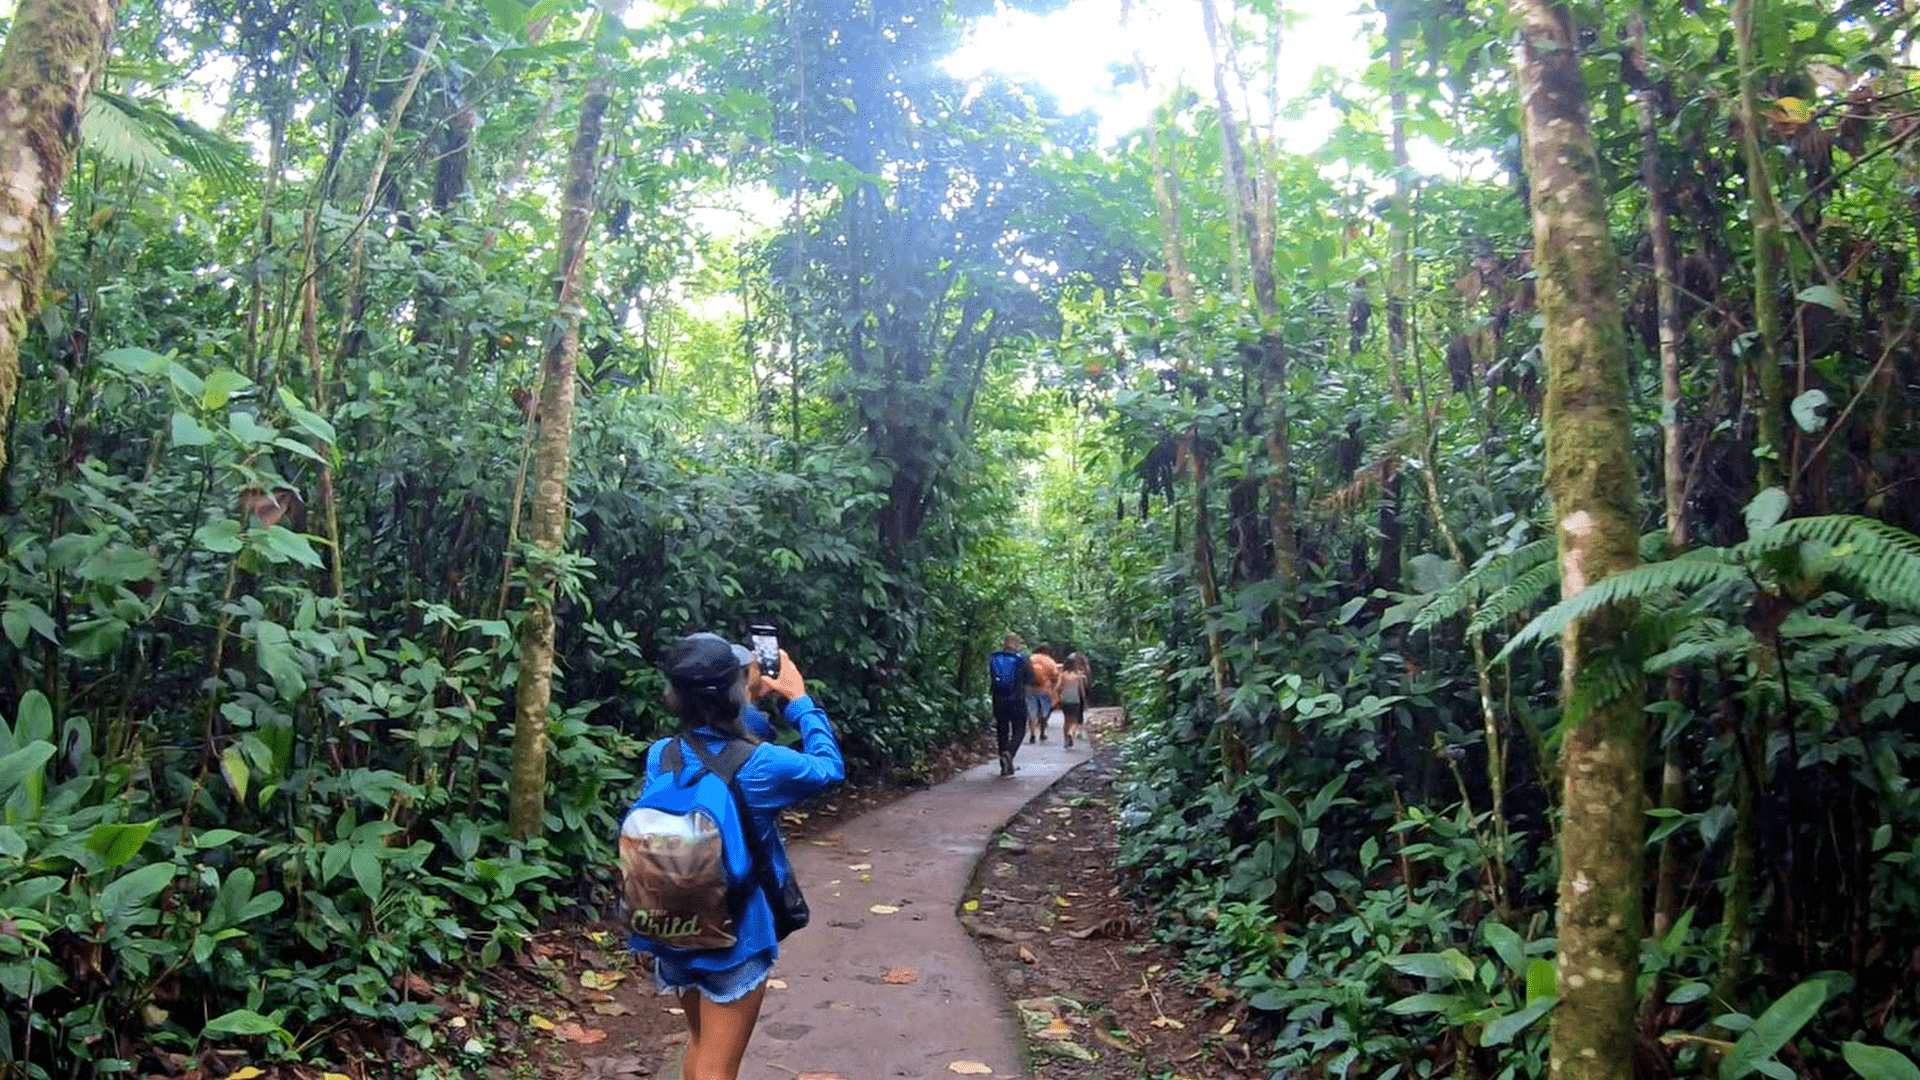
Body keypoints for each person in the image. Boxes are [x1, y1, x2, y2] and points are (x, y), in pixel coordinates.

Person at [632, 632, 843, 1080]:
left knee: (702, 1045)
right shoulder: (764, 764)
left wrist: (743, 698)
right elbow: (829, 766)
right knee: (718, 1068)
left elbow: (722, 745)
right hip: (735, 936)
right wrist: (799, 699)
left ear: (674, 697)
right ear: (734, 691)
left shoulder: (660, 757)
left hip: (672, 927)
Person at [987, 633, 1032, 777]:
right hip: (1017, 699)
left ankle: (1004, 767)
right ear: (1017, 644)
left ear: (1004, 643)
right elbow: (1030, 678)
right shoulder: (1022, 659)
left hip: (999, 700)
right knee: (1019, 729)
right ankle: (1009, 753)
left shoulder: (994, 657)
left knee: (1002, 731)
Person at [1026, 644, 1061, 745]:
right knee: (1044, 712)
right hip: (1044, 690)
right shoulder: (1049, 661)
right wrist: (1054, 689)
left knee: (1031, 712)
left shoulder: (1030, 659)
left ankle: (1032, 734)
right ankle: (1042, 733)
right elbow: (1055, 676)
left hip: (1029, 689)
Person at [1057, 652, 1090, 750]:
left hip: (1064, 700)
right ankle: (1071, 733)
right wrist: (1084, 702)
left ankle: (1065, 741)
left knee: (1066, 721)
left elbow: (1058, 687)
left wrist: (1059, 695)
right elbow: (1082, 690)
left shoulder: (1062, 675)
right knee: (1074, 721)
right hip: (1075, 700)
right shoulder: (1078, 676)